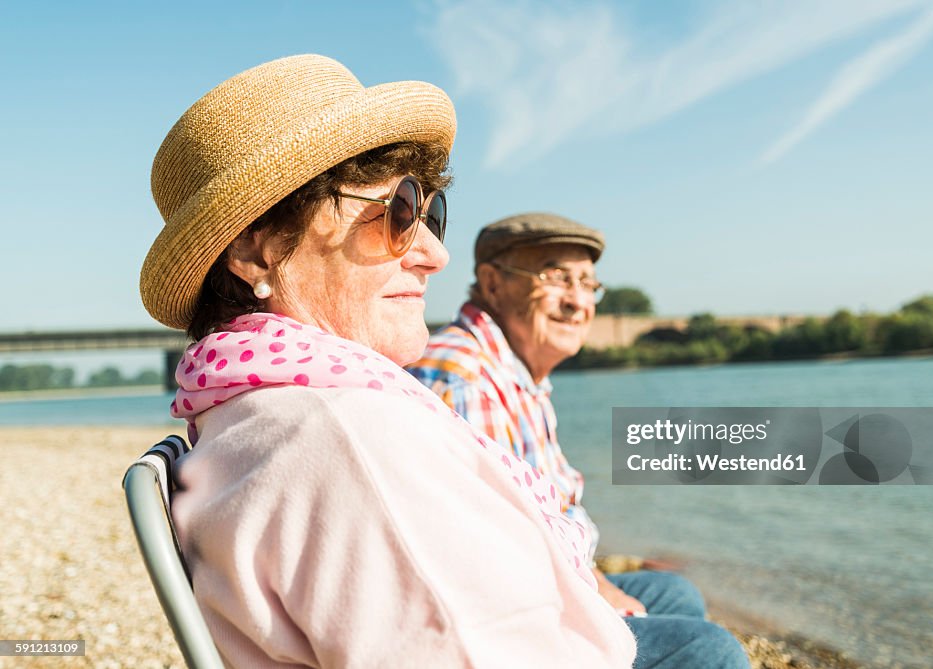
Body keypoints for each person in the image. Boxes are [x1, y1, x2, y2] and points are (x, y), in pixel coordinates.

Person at [139, 55, 636, 668]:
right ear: (256, 249)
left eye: (430, 214)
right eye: (398, 212)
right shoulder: (347, 437)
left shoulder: (252, 412)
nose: (433, 254)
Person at [408, 213, 749, 668]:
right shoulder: (467, 379)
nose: (577, 302)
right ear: (492, 284)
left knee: (675, 593)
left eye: (588, 284)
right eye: (557, 277)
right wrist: (596, 593)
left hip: (544, 585)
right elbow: (494, 558)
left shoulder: (514, 371)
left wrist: (594, 582)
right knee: (710, 650)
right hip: (499, 622)